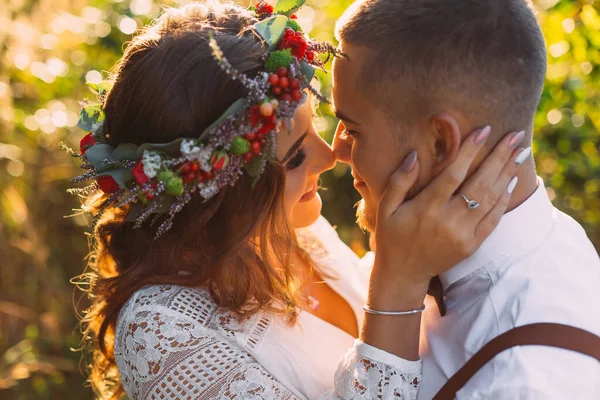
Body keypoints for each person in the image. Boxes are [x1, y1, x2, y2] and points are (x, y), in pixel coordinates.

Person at [71, 1, 524, 399]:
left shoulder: (294, 230)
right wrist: (397, 282)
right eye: (293, 157)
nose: (330, 157)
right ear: (215, 193)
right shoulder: (160, 332)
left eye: (315, 127)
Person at [332, 0, 600, 398]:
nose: (336, 150)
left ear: (441, 143)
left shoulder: (525, 382)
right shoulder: (546, 237)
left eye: (353, 130)